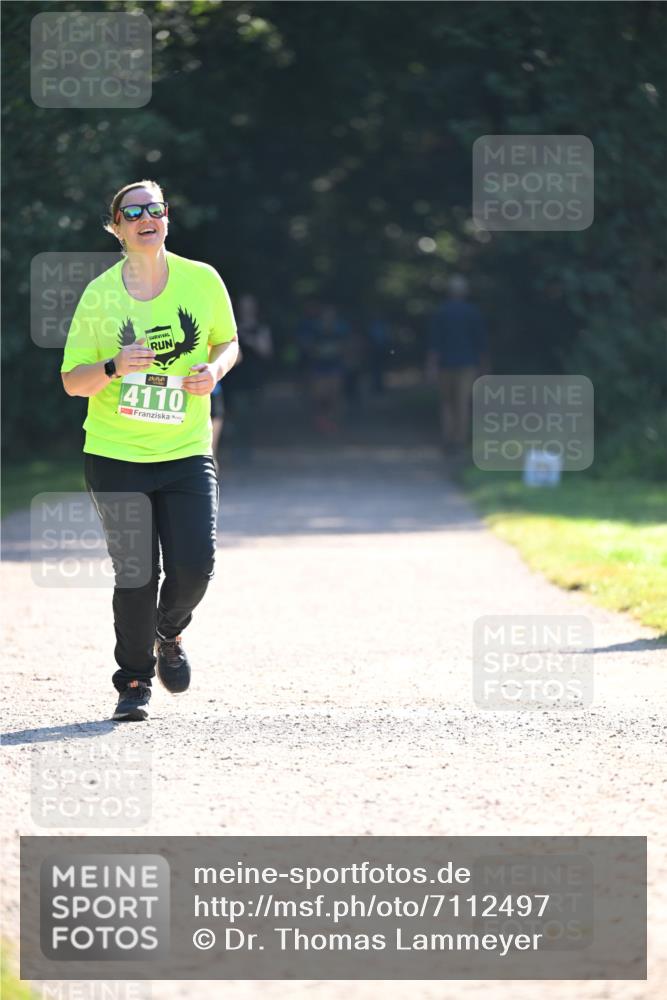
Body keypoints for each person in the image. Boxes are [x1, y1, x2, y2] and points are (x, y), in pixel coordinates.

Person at [60, 179, 239, 721]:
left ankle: (170, 630)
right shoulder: (100, 295)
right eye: (132, 211)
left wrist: (215, 369)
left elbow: (226, 341)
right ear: (116, 227)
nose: (146, 217)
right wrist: (114, 365)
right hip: (116, 453)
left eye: (154, 208)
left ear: (166, 218)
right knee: (135, 574)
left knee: (196, 567)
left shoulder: (201, 280)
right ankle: (134, 680)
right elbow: (73, 381)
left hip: (185, 449)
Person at [426, 274, 488, 451]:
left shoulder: (441, 312)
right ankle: (460, 440)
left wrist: (431, 367)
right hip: (468, 365)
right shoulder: (473, 313)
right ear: (465, 292)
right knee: (462, 403)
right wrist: (484, 368)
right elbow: (481, 344)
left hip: (445, 364)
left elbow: (434, 345)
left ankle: (448, 438)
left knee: (446, 402)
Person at [223, 293, 273, 457]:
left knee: (250, 416)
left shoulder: (261, 327)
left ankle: (247, 450)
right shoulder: (232, 325)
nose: (247, 309)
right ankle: (238, 451)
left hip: (255, 378)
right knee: (238, 414)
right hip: (236, 378)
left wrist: (251, 340)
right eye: (244, 305)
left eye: (250, 305)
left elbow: (266, 351)